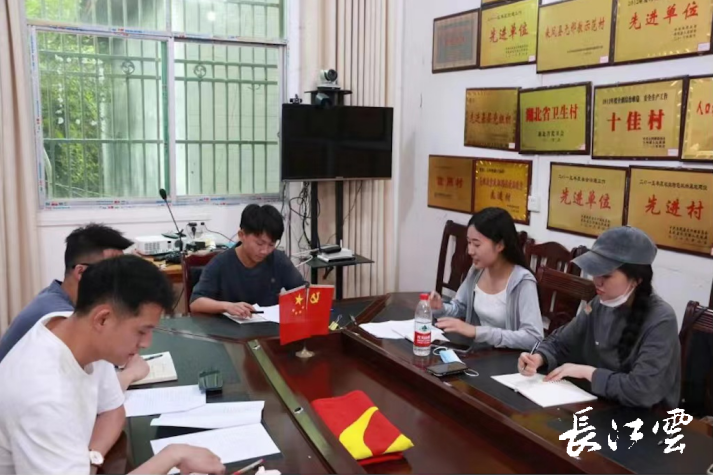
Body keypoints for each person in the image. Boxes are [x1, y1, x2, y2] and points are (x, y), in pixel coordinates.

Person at [0, 255, 225, 475]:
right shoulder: (42, 395)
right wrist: (171, 456)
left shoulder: (79, 330)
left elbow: (113, 410)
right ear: (103, 319)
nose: (146, 343)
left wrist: (90, 459)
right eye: (141, 331)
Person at [518, 226, 680, 409]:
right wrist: (539, 357)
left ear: (637, 280)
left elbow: (641, 390)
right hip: (601, 404)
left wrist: (588, 373)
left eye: (606, 276)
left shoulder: (661, 319)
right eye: (595, 272)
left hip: (644, 417)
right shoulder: (599, 303)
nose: (597, 281)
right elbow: (561, 342)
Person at [0, 223, 148, 390]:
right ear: (81, 273)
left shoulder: (56, 294)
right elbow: (88, 394)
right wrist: (130, 373)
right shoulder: (59, 317)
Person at [429, 207, 544, 350]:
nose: (470, 251)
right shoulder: (477, 270)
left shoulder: (523, 282)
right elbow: (460, 306)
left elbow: (534, 338)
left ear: (500, 245)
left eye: (477, 244)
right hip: (477, 353)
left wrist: (477, 332)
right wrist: (440, 308)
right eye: (469, 242)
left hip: (507, 359)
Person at [190, 204, 305, 317]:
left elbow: (303, 293)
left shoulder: (279, 260)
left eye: (271, 244)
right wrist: (227, 306)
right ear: (242, 235)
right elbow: (195, 303)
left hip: (269, 327)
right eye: (259, 243)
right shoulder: (221, 263)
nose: (265, 251)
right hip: (231, 328)